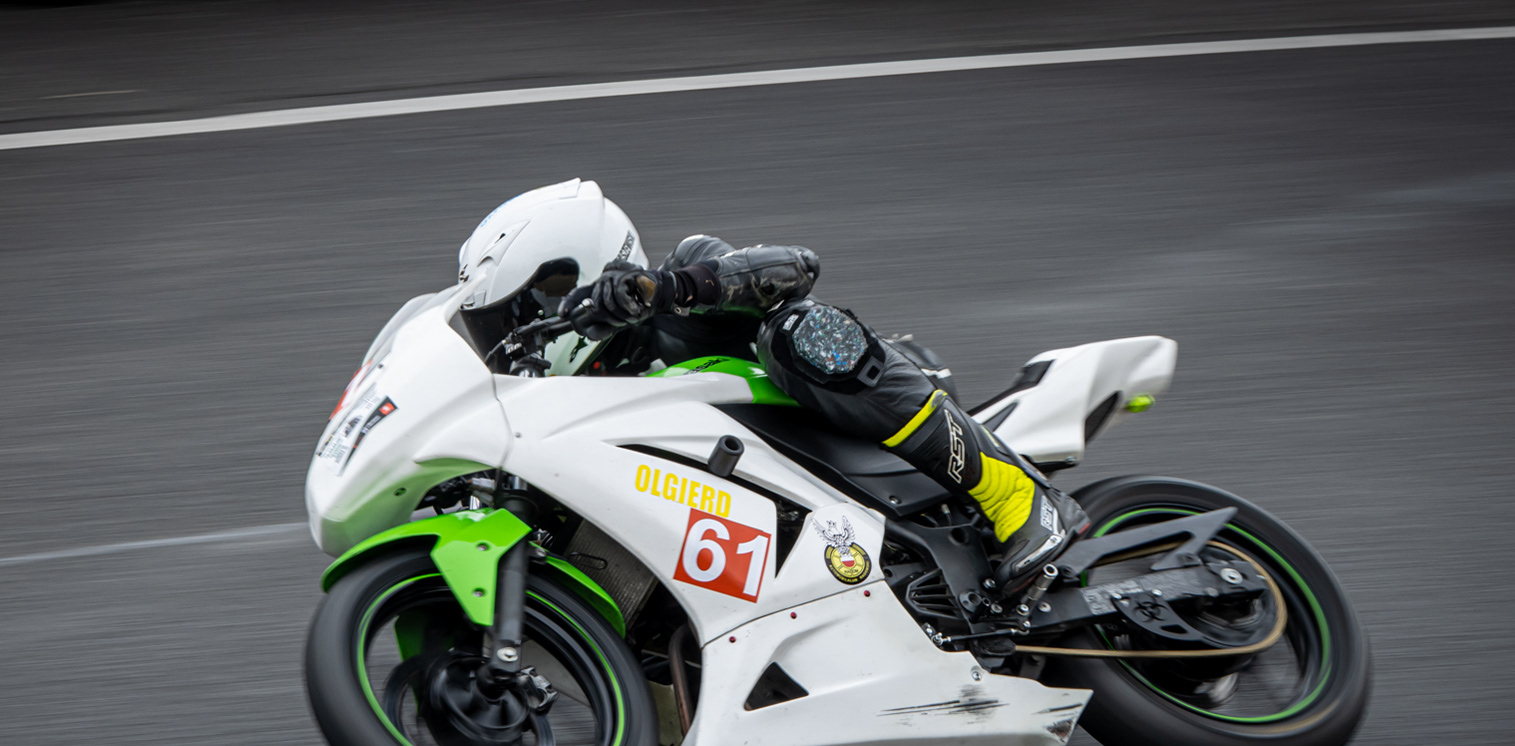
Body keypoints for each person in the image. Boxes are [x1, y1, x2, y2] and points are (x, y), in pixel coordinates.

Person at [451, 180, 1085, 596]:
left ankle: (1016, 492)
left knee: (798, 333)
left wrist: (664, 291)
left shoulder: (683, 277)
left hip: (858, 427)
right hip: (771, 531)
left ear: (580, 271)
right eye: (495, 330)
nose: (514, 340)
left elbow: (796, 267)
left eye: (522, 314)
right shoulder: (570, 407)